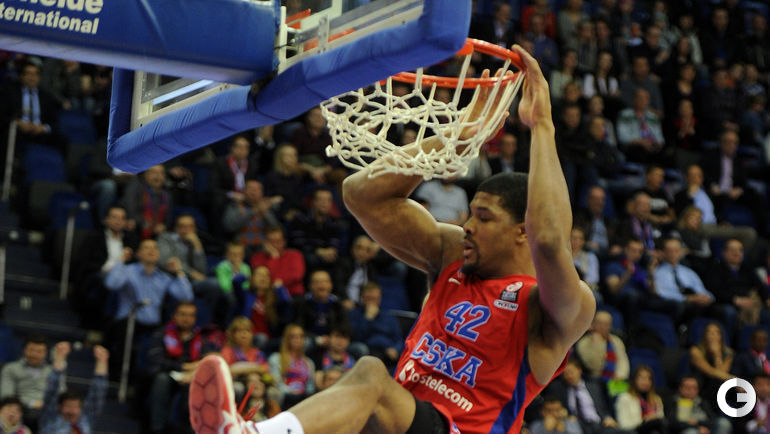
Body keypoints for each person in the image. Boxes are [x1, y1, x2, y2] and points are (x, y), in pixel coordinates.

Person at [189, 44, 594, 434]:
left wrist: (542, 126)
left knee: (370, 374)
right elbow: (361, 195)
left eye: (484, 218)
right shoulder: (451, 255)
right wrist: (456, 137)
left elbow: (549, 240)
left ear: (522, 230)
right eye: (471, 213)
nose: (468, 225)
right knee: (365, 390)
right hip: (401, 420)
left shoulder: (552, 306)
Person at [38, 343, 109, 434]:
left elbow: (98, 393)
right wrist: (60, 355)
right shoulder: (50, 419)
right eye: (67, 406)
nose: (71, 411)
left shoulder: (86, 419)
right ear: (59, 407)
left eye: (75, 407)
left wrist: (102, 360)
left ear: (81, 409)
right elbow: (51, 388)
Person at [0, 334, 63, 431]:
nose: (35, 354)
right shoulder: (11, 368)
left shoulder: (53, 372)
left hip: (46, 412)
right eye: (31, 350)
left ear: (45, 353)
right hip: (21, 410)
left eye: (39, 351)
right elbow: (7, 396)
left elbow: (61, 394)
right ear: (24, 350)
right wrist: (32, 403)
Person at [545, 358, 620, 434]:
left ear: (579, 370)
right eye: (566, 373)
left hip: (599, 424)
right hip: (576, 425)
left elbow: (603, 407)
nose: (569, 376)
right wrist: (566, 415)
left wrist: (607, 417)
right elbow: (555, 407)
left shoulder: (594, 386)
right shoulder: (559, 389)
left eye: (571, 372)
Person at [349, 281, 403, 367]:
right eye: (369, 298)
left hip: (387, 351)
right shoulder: (355, 314)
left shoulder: (388, 316)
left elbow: (398, 339)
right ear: (362, 298)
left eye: (375, 299)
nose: (372, 302)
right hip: (369, 350)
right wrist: (367, 318)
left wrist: (395, 349)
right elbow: (357, 337)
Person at [267, 324, 316, 408]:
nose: (298, 340)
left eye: (301, 337)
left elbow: (310, 386)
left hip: (303, 398)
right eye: (294, 337)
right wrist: (291, 392)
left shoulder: (309, 362)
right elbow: (276, 381)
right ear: (287, 339)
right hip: (286, 397)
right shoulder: (276, 358)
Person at [249, 225, 306, 297]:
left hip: (293, 294)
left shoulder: (295, 255)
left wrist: (279, 282)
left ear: (284, 242)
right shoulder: (256, 257)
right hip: (265, 296)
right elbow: (261, 280)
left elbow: (296, 276)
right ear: (265, 242)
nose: (275, 245)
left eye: (278, 241)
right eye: (271, 241)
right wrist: (274, 258)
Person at [574, 310, 629, 384]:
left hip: (615, 380)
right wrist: (597, 345)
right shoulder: (584, 343)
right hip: (594, 381)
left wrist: (620, 375)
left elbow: (623, 360)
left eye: (606, 324)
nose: (603, 327)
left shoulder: (616, 341)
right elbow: (594, 366)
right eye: (600, 323)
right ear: (593, 324)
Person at [689, 322, 734, 412]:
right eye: (710, 332)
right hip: (701, 387)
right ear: (704, 335)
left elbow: (722, 374)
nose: (713, 335)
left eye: (717, 332)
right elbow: (710, 371)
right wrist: (735, 381)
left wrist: (717, 355)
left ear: (721, 336)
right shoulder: (696, 350)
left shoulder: (728, 353)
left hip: (717, 389)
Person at [664, 376, 731, 434]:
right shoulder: (673, 401)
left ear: (697, 390)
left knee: (723, 423)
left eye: (694, 388)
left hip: (706, 428)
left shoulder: (702, 402)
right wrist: (697, 427)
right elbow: (672, 423)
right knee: (691, 432)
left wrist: (698, 423)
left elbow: (712, 419)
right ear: (680, 388)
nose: (691, 390)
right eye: (687, 387)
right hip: (687, 429)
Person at [614, 365, 667, 433]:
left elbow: (662, 421)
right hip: (635, 430)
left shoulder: (656, 399)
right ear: (634, 380)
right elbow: (623, 426)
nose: (645, 381)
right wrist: (645, 421)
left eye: (648, 378)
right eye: (642, 378)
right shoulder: (624, 398)